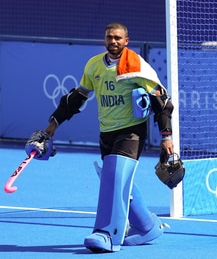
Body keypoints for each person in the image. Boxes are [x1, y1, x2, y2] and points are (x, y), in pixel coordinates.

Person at [41, 22, 175, 253]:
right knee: (118, 180)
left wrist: (166, 137)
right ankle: (146, 225)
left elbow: (162, 102)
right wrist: (53, 124)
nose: (113, 42)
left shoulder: (136, 66)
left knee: (114, 175)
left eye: (118, 38)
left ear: (126, 41)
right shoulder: (94, 65)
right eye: (109, 37)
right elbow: (77, 98)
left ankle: (106, 233)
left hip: (131, 131)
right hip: (107, 132)